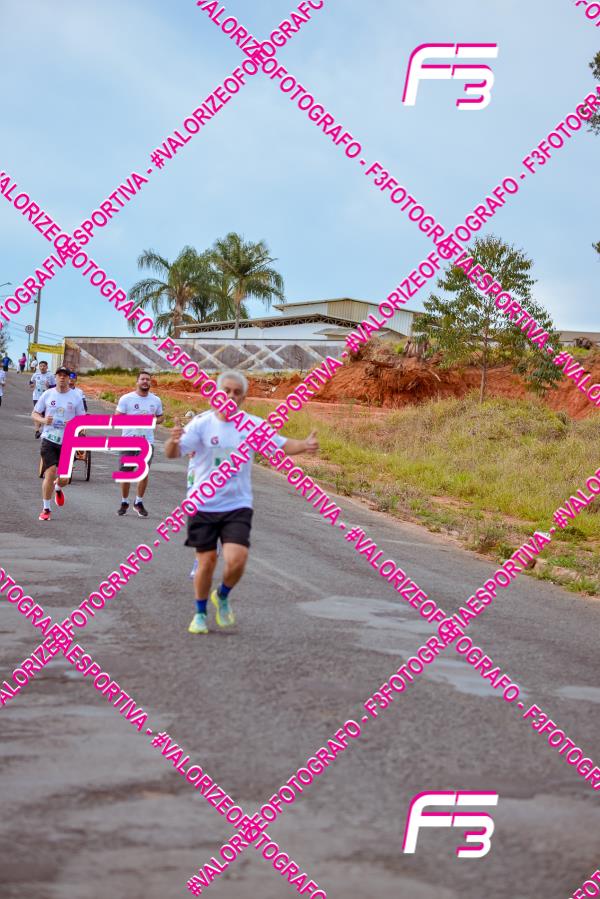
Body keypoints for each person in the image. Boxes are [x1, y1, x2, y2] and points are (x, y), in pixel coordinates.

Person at [165, 370, 319, 635]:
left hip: (237, 505)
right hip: (203, 505)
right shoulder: (201, 424)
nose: (231, 396)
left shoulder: (252, 426)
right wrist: (173, 440)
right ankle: (200, 613)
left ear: (244, 398)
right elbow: (173, 453)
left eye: (237, 393)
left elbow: (281, 444)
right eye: (226, 390)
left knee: (237, 559)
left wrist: (305, 445)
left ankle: (222, 595)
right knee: (207, 562)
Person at [32, 366, 86, 521]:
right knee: (50, 473)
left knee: (64, 479)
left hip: (68, 441)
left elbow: (83, 419)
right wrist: (44, 420)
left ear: (69, 378)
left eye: (65, 375)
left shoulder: (76, 397)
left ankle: (58, 487)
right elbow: (34, 413)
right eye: (60, 375)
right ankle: (46, 509)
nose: (62, 378)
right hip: (49, 439)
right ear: (55, 377)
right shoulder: (48, 394)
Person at [115, 371, 164, 518]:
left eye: (148, 379)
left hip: (146, 441)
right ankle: (124, 502)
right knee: (126, 473)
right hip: (128, 440)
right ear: (137, 382)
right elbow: (117, 418)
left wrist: (154, 419)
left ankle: (138, 502)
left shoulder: (155, 400)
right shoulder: (126, 399)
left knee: (144, 472)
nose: (145, 381)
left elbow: (161, 417)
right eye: (142, 379)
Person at [30, 361, 56, 438]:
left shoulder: (50, 375)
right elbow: (31, 382)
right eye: (40, 366)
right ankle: (37, 431)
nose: (42, 367)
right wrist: (31, 385)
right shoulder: (36, 374)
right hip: (36, 397)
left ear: (47, 367)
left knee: (46, 414)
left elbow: (55, 386)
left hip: (47, 397)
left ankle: (46, 429)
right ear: (39, 367)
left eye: (44, 366)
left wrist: (49, 386)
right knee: (37, 413)